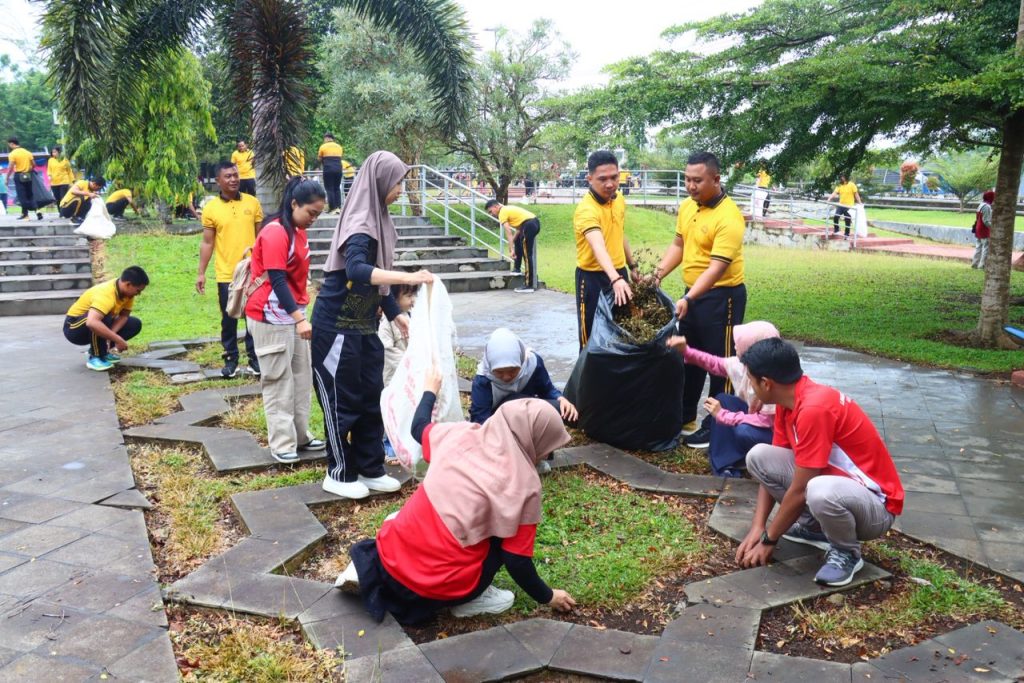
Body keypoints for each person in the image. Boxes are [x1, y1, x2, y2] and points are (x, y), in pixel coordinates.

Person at [337, 377, 577, 625]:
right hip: (434, 589)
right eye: (547, 447)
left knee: (405, 514)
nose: (545, 454)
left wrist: (430, 390)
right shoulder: (525, 487)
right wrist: (548, 596)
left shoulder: (460, 433)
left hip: (391, 557)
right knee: (503, 537)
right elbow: (516, 560)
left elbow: (418, 428)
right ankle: (470, 599)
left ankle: (362, 568)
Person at [311, 150, 434, 500]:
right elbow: (356, 270)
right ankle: (339, 472)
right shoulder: (361, 222)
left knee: (370, 398)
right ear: (379, 182)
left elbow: (376, 284)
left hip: (365, 326)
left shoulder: (379, 219)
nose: (399, 190)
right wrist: (408, 277)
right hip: (337, 327)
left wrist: (395, 312)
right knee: (341, 401)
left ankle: (370, 467)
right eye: (397, 184)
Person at [734, 338, 904, 587]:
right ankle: (814, 529)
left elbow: (801, 488)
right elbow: (773, 472)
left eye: (751, 380)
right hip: (839, 489)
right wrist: (758, 527)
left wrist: (769, 540)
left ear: (767, 383)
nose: (750, 387)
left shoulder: (814, 409)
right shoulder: (787, 402)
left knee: (817, 489)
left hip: (876, 507)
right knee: (759, 457)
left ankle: (846, 552)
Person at [652, 151, 747, 439]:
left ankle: (717, 425)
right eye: (687, 180)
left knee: (722, 363)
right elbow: (679, 245)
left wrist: (689, 298)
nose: (690, 186)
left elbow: (717, 268)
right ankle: (685, 417)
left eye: (697, 181)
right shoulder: (687, 207)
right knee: (689, 357)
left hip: (723, 298)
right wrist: (657, 275)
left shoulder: (729, 217)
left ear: (716, 179)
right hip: (691, 295)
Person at [246, 177, 328, 463]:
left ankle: (300, 435)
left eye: (318, 214)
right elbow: (278, 280)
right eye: (311, 213)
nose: (314, 219)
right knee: (278, 379)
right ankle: (282, 443)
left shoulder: (298, 231)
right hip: (270, 316)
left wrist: (299, 316)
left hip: (293, 316)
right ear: (294, 204)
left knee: (301, 378)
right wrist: (300, 319)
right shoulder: (275, 232)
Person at [666, 322, 780, 476]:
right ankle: (724, 466)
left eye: (739, 343)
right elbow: (714, 363)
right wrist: (686, 351)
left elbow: (767, 422)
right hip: (754, 418)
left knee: (743, 430)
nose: (735, 346)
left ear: (752, 348)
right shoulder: (742, 365)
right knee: (723, 400)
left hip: (773, 436)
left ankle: (749, 459)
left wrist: (724, 416)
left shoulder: (773, 380)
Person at [196, 161, 264, 378]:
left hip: (253, 271)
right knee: (229, 318)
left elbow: (261, 238)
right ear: (218, 180)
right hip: (227, 273)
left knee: (253, 317)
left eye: (235, 175)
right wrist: (201, 273)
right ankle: (230, 359)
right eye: (228, 176)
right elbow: (208, 242)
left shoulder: (253, 203)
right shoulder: (211, 208)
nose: (233, 179)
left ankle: (255, 359)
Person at [573, 150, 638, 349]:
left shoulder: (619, 200)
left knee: (622, 335)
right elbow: (597, 245)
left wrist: (632, 266)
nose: (610, 184)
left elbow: (620, 234)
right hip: (592, 279)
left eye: (614, 177)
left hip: (619, 273)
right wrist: (615, 279)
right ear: (590, 179)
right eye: (602, 179)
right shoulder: (586, 210)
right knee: (591, 342)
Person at [470, 327, 577, 428]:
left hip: (529, 410)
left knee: (564, 410)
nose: (506, 377)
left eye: (512, 370)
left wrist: (561, 399)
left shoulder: (532, 364)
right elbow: (480, 420)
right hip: (500, 423)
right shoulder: (483, 381)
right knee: (514, 402)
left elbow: (546, 390)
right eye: (499, 372)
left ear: (521, 361)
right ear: (490, 366)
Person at [63, 266, 148, 372]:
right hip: (73, 328)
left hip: (96, 320)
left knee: (134, 324)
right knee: (102, 318)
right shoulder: (106, 293)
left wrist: (110, 337)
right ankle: (95, 357)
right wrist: (118, 339)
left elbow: (124, 316)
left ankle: (103, 351)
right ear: (128, 284)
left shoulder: (127, 294)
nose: (138, 294)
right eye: (138, 291)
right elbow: (92, 322)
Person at [379, 283, 419, 465]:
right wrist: (407, 362)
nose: (412, 300)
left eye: (413, 295)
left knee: (408, 410)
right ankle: (390, 446)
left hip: (411, 377)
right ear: (394, 299)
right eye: (408, 296)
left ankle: (407, 444)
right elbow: (386, 349)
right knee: (393, 411)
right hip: (394, 377)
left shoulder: (412, 317)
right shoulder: (387, 322)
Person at [485, 200, 540, 293]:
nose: (491, 214)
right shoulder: (507, 210)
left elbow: (508, 232)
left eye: (491, 211)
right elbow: (518, 229)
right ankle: (517, 268)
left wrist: (511, 249)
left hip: (529, 225)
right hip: (532, 223)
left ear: (496, 207)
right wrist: (512, 243)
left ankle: (529, 285)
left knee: (527, 255)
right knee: (518, 240)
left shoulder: (502, 213)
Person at [6, 137, 42, 221]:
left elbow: (10, 167)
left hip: (19, 175)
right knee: (30, 194)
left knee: (22, 196)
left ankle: (26, 215)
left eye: (9, 145)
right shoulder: (27, 152)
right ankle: (36, 210)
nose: (9, 146)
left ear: (12, 144)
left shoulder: (12, 154)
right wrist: (28, 169)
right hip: (28, 175)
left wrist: (7, 178)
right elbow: (34, 164)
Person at [826, 174, 862, 240]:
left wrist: (860, 203)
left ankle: (846, 235)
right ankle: (836, 230)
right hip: (841, 205)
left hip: (849, 206)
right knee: (836, 216)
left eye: (842, 177)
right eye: (840, 177)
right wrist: (829, 198)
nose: (841, 179)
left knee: (847, 220)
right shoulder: (839, 185)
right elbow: (834, 192)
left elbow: (856, 194)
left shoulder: (852, 185)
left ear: (845, 178)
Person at [318, 133, 344, 213]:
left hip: (328, 169)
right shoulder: (339, 147)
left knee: (329, 188)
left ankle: (332, 208)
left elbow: (319, 159)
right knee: (337, 188)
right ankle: (338, 207)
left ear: (326, 138)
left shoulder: (323, 146)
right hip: (338, 169)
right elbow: (340, 157)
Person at [972, 190, 994, 270]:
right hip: (984, 230)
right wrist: (993, 227)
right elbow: (986, 221)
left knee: (978, 247)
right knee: (986, 248)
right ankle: (982, 266)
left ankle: (975, 264)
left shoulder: (981, 205)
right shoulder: (987, 207)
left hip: (978, 229)